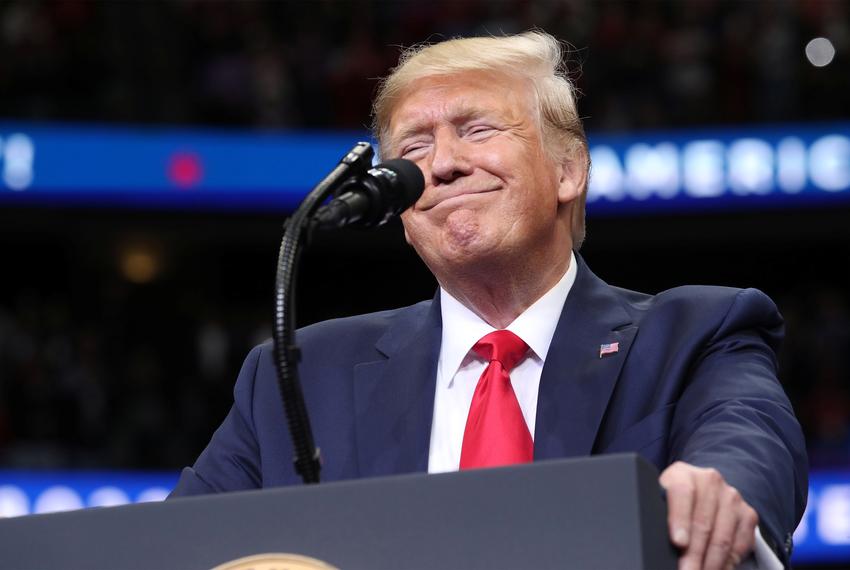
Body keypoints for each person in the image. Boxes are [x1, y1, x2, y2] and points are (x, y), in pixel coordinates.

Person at [170, 32, 807, 570]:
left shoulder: (695, 334)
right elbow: (172, 551)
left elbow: (750, 442)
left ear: (568, 170)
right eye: (412, 149)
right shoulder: (299, 376)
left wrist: (721, 489)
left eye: (476, 130)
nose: (441, 164)